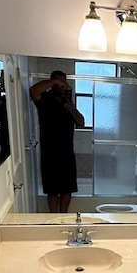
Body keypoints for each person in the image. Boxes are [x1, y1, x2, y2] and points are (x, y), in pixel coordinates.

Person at [29, 71, 85, 213]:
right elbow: (33, 90)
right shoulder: (44, 99)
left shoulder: (68, 102)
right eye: (59, 83)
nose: (62, 86)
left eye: (64, 83)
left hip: (67, 153)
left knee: (68, 189)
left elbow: (81, 122)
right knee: (52, 191)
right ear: (53, 82)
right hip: (49, 153)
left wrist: (70, 107)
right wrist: (54, 82)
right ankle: (53, 218)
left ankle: (64, 216)